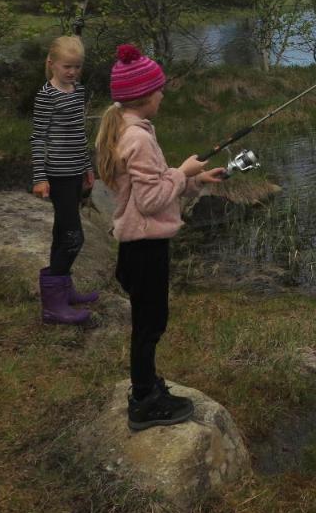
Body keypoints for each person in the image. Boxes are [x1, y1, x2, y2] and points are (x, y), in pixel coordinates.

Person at [94, 44, 225, 431]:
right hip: (146, 245)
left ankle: (147, 385)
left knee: (148, 322)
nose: (163, 95)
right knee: (150, 324)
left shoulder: (125, 127)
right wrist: (182, 172)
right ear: (146, 96)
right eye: (160, 90)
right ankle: (144, 401)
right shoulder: (140, 139)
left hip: (136, 244)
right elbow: (151, 200)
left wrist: (194, 179)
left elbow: (145, 186)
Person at [32, 35, 98, 325]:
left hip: (75, 173)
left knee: (62, 232)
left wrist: (87, 165)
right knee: (74, 237)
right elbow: (38, 139)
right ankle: (53, 305)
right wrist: (39, 177)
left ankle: (64, 291)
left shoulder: (78, 90)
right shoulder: (46, 96)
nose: (72, 72)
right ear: (52, 64)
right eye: (67, 66)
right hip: (56, 175)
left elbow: (78, 134)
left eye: (77, 67)